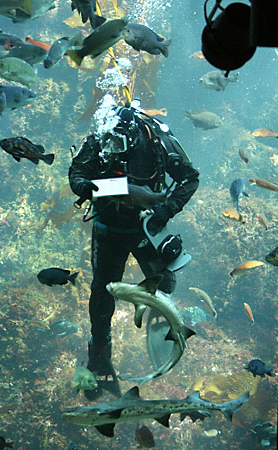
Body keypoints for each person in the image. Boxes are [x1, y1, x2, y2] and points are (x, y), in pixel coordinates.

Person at [68, 103, 199, 400]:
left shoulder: (156, 139)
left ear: (136, 136)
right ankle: (100, 354)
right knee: (102, 294)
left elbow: (190, 177)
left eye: (120, 145)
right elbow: (76, 180)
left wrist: (163, 213)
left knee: (164, 283)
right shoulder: (99, 139)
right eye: (109, 144)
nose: (114, 152)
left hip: (146, 230)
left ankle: (164, 328)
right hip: (108, 230)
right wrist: (121, 190)